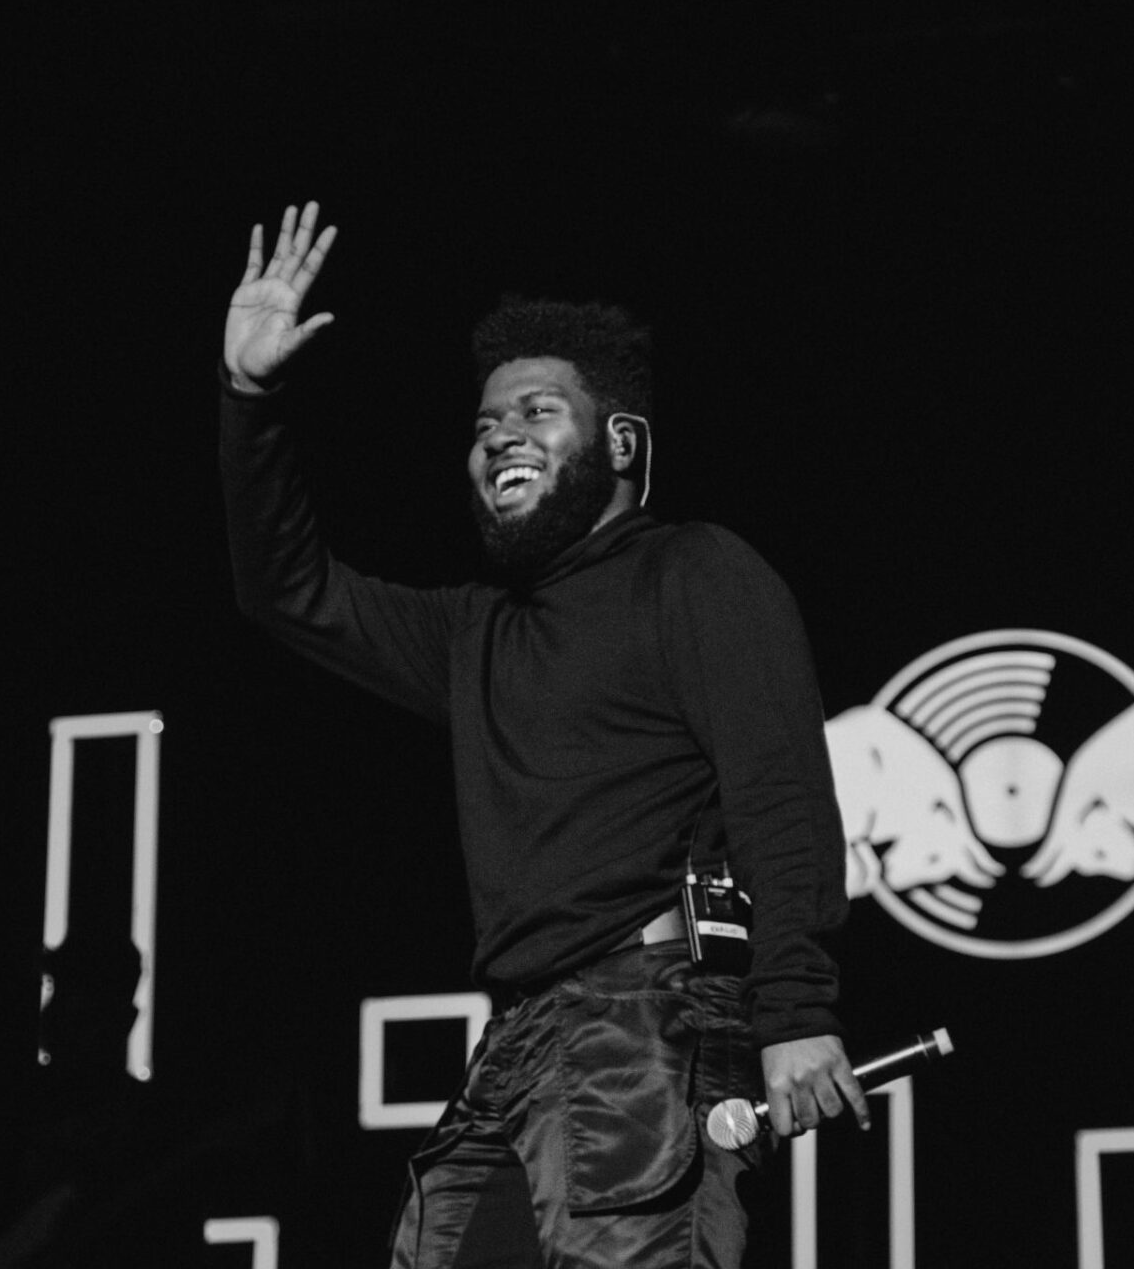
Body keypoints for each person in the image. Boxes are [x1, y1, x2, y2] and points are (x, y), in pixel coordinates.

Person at [218, 201, 868, 1268]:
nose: (500, 436)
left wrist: (795, 1010)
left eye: (536, 411)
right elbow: (288, 591)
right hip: (516, 1043)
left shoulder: (694, 572)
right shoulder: (476, 630)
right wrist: (250, 397)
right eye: (484, 425)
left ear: (620, 441)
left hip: (647, 1022)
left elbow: (779, 794)